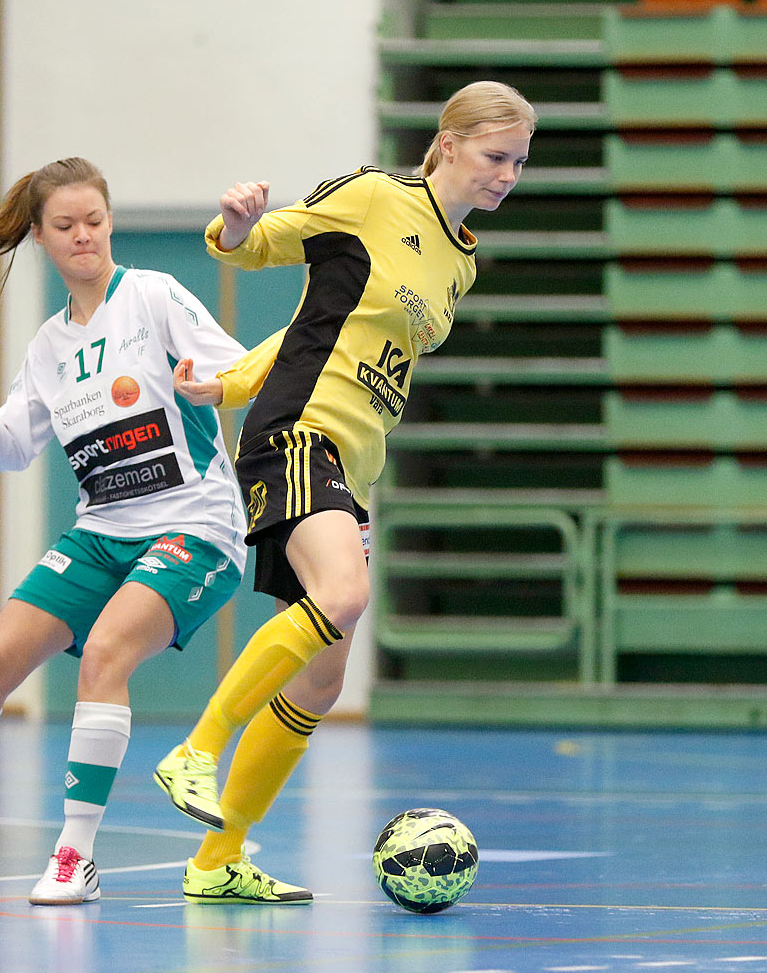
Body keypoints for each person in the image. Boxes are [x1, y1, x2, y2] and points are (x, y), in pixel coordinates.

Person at [155, 81, 537, 904]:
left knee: (323, 683)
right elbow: (262, 247)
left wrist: (226, 384)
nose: (508, 174)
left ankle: (216, 861)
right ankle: (196, 749)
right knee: (346, 592)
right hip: (300, 432)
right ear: (447, 141)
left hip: (354, 465)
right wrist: (239, 224)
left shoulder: (460, 260)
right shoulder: (373, 198)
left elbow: (319, 327)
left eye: (520, 163)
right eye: (495, 155)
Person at [0, 157, 249, 906]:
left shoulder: (152, 295)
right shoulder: (47, 347)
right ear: (40, 237)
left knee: (104, 654)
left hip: (193, 526)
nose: (84, 237)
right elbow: (12, 449)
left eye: (96, 222)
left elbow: (240, 367)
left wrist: (212, 384)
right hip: (101, 532)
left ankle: (75, 855)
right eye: (66, 226)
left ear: (110, 223)